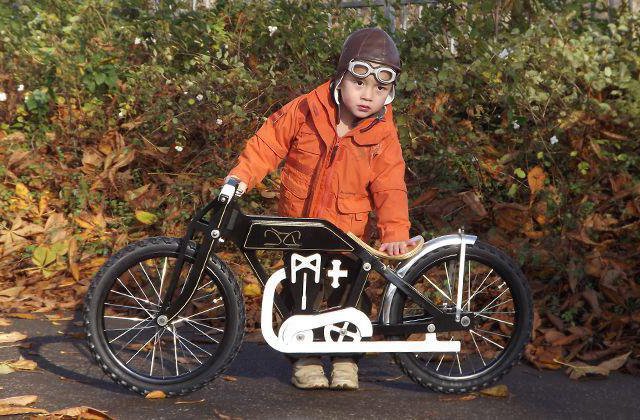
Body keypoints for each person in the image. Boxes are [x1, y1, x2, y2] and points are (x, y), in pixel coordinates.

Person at [224, 27, 417, 390]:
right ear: (341, 77)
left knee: (350, 294)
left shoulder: (383, 135)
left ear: (390, 94)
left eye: (380, 89)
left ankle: (346, 359)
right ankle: (306, 358)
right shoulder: (306, 110)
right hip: (299, 228)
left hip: (348, 232)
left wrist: (394, 233)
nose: (367, 95)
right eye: (359, 84)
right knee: (301, 294)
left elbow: (390, 186)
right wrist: (240, 177)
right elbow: (267, 144)